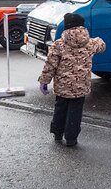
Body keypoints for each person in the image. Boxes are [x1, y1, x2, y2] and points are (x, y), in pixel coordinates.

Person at [38, 13, 106, 147]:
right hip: (81, 87)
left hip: (62, 87)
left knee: (60, 109)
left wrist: (44, 81)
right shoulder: (90, 43)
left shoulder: (58, 45)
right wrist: (97, 39)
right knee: (75, 112)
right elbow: (102, 45)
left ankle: (57, 133)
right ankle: (71, 138)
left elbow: (50, 65)